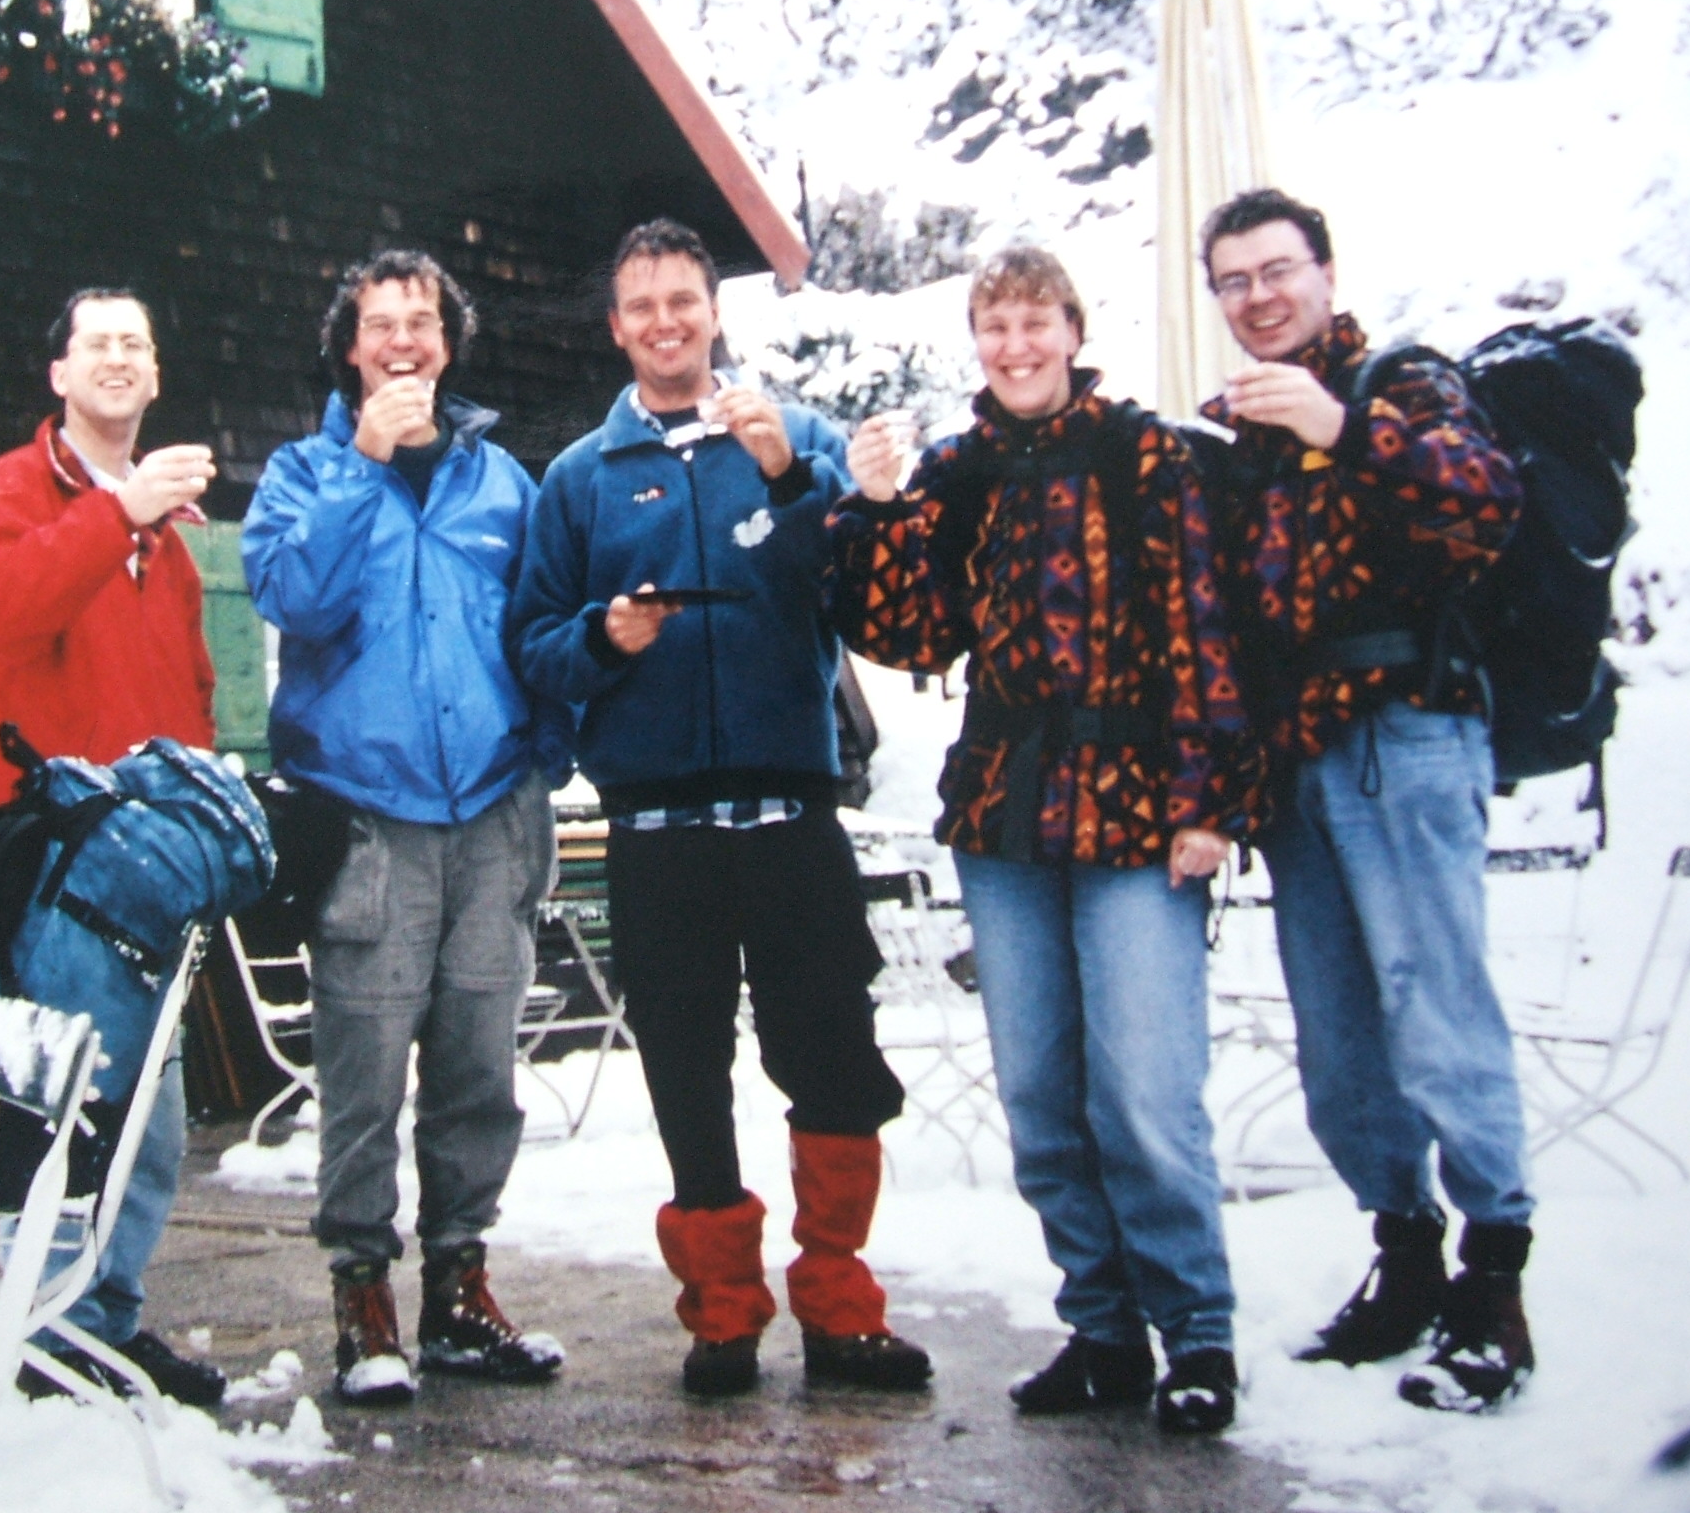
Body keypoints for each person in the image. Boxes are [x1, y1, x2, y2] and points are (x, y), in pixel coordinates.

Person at [829, 246, 1260, 1435]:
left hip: (1136, 805)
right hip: (1008, 809)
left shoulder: (1145, 453)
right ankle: (1106, 1330)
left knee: (1146, 1091)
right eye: (995, 329)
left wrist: (1208, 801)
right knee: (1041, 1092)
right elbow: (911, 635)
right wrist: (876, 511)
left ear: (1073, 329)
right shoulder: (960, 470)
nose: (1015, 348)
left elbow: (1200, 626)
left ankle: (1200, 1335)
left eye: (1035, 324)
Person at [512, 218, 930, 1399]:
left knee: (834, 1060)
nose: (664, 323)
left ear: (713, 311)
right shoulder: (578, 479)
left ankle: (842, 1303)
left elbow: (868, 592)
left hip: (793, 815)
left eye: (683, 301)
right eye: (641, 306)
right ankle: (724, 1314)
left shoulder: (794, 436)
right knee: (686, 1071)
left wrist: (798, 482)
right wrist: (603, 635)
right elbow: (534, 649)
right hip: (656, 833)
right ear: (617, 327)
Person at [1197, 188, 1533, 1413]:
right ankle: (1403, 1257)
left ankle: (1494, 1283)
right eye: (1232, 282)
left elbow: (1488, 504)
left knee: (1435, 1006)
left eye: (1276, 271)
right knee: (1339, 1034)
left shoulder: (1405, 384)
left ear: (1325, 272)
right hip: (1296, 760)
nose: (1259, 298)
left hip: (1409, 732)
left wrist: (1348, 429)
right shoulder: (1239, 432)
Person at [242, 250, 571, 1407]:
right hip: (368, 824)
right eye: (379, 323)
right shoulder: (300, 472)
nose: (401, 341)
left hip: (492, 816)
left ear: (447, 342)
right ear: (349, 347)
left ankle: (463, 1292)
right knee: (366, 1073)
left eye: (420, 322)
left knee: (480, 1069)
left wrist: (547, 760)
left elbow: (543, 630)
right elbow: (293, 599)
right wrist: (363, 465)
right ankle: (362, 1299)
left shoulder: (503, 486)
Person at [0, 287, 225, 1407]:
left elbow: (192, 702)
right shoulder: (9, 491)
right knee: (50, 1111)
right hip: (46, 876)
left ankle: (100, 1321)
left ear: (155, 377)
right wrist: (118, 516)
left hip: (146, 881)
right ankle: (36, 1330)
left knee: (148, 1120)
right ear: (58, 374)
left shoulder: (178, 547)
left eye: (136, 345)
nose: (117, 359)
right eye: (96, 343)